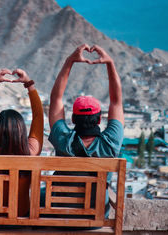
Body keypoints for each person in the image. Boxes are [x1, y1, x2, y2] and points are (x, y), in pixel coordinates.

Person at [46, 44, 124, 217]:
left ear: (73, 119)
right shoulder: (109, 143)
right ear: (99, 119)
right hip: (94, 219)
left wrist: (69, 61)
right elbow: (116, 102)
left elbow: (56, 98)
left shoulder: (63, 141)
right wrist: (110, 63)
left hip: (60, 215)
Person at [0, 68, 44, 216]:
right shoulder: (31, 152)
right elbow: (39, 116)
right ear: (22, 131)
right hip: (20, 219)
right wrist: (29, 84)